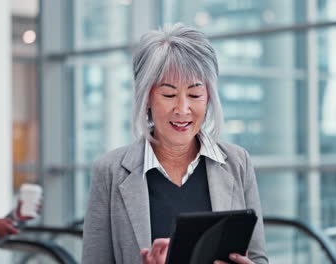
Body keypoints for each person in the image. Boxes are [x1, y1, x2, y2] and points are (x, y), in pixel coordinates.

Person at [82, 23, 269, 264]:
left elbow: (258, 257)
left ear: (209, 97)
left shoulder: (237, 162)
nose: (182, 109)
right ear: (146, 97)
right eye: (169, 94)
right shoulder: (110, 171)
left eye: (195, 95)